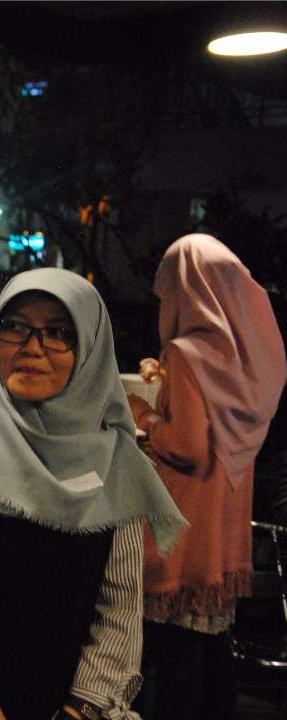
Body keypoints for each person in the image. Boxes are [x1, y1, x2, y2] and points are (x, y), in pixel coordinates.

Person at [0, 268, 186, 720]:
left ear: (90, 349)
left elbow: (118, 613)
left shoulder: (115, 463)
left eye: (59, 333)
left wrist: (78, 709)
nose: (32, 347)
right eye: (15, 326)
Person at [128, 233, 287, 720]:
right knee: (211, 652)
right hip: (221, 529)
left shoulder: (187, 353)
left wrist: (144, 414)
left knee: (173, 660)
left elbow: (188, 448)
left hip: (183, 528)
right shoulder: (245, 358)